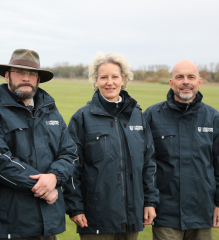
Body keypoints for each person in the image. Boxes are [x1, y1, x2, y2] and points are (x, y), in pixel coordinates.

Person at [0, 48, 77, 240]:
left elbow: (70, 152)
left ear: (38, 80)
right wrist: (44, 187)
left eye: (31, 74)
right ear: (7, 76)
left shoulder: (52, 113)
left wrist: (54, 177)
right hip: (9, 224)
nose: (26, 77)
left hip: (47, 223)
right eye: (20, 72)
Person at [63, 52, 159, 240]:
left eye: (115, 77)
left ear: (123, 79)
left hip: (132, 217)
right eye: (103, 77)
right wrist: (75, 207)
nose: (110, 82)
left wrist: (150, 202)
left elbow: (149, 164)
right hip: (95, 219)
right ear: (95, 81)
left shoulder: (138, 116)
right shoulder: (81, 118)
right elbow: (72, 168)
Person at [143, 59, 219, 240]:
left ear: (199, 82)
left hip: (202, 212)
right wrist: (149, 202)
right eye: (179, 77)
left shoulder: (213, 118)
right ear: (171, 83)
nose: (185, 81)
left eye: (191, 77)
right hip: (165, 213)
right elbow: (144, 164)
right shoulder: (152, 116)